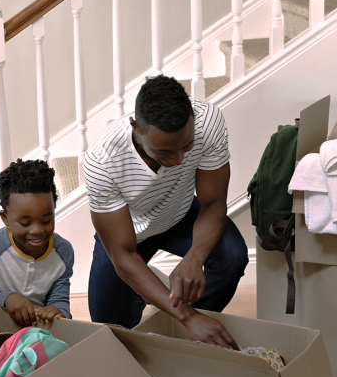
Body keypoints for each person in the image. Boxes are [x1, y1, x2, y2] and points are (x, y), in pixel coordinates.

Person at [84, 75, 247, 349]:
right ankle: (155, 298)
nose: (178, 160)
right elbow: (122, 254)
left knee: (232, 255)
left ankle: (186, 338)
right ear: (136, 128)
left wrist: (195, 258)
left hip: (179, 212)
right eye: (163, 152)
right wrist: (187, 315)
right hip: (129, 231)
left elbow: (213, 204)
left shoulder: (208, 122)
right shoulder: (102, 161)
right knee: (111, 334)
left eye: (186, 146)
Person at [0, 159, 74, 327]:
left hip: (41, 330)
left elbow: (60, 299)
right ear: (5, 218)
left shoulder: (64, 251)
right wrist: (6, 298)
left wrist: (58, 311)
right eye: (25, 223)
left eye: (46, 220)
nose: (37, 230)